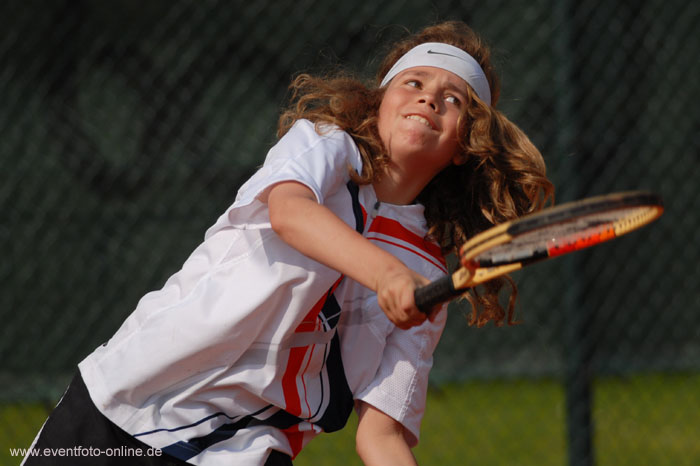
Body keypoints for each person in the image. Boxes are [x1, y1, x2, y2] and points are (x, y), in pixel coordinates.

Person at [23, 21, 553, 466]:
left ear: (465, 144)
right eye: (412, 81)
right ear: (379, 102)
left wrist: (402, 278)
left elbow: (381, 434)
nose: (428, 97)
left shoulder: (426, 276)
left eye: (452, 97)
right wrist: (386, 275)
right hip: (129, 398)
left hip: (245, 451)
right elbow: (290, 214)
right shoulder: (326, 146)